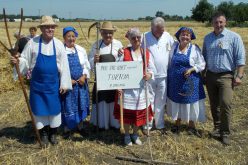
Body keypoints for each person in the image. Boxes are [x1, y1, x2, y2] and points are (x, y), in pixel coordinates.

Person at [10, 16, 72, 147]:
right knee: (39, 110)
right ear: (42, 29)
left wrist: (65, 84)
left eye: (52, 27)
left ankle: (53, 133)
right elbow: (25, 60)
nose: (50, 29)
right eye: (46, 27)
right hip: (37, 86)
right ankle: (43, 134)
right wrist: (18, 61)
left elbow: (64, 65)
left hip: (53, 85)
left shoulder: (59, 44)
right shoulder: (33, 43)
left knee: (54, 110)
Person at [202, 12, 246, 145]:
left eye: (221, 22)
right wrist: (202, 75)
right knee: (214, 104)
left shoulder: (234, 37)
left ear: (225, 22)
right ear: (212, 23)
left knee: (226, 103)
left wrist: (239, 76)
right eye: (216, 22)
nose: (218, 24)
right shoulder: (207, 38)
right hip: (210, 76)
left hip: (226, 76)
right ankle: (217, 128)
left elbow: (240, 59)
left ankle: (225, 133)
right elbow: (203, 58)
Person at [114, 28, 154, 146]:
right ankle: (127, 135)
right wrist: (118, 86)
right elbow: (117, 69)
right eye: (133, 38)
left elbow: (151, 68)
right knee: (127, 113)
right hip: (127, 89)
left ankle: (135, 134)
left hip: (141, 88)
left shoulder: (145, 52)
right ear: (129, 39)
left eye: (138, 37)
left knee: (138, 113)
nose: (136, 39)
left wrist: (149, 74)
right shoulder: (124, 52)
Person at [167, 27, 206, 137]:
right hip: (175, 82)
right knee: (177, 101)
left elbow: (202, 64)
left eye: (187, 35)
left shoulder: (194, 49)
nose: (185, 37)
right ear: (178, 36)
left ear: (190, 38)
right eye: (182, 34)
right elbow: (169, 63)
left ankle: (191, 125)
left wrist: (192, 69)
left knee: (191, 102)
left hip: (191, 82)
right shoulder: (174, 47)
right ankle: (177, 123)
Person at [89, 21, 123, 130]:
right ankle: (103, 124)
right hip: (101, 80)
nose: (108, 35)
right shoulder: (96, 45)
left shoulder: (118, 44)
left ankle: (114, 123)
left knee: (113, 100)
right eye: (106, 33)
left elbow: (122, 62)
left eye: (110, 33)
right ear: (101, 33)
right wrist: (94, 60)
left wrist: (120, 56)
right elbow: (89, 62)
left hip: (114, 79)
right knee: (102, 100)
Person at [142, 17, 174, 132]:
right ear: (152, 28)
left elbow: (175, 48)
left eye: (162, 30)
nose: (161, 32)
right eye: (158, 30)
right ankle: (147, 124)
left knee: (161, 101)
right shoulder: (144, 37)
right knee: (149, 100)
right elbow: (135, 49)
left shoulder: (167, 36)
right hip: (150, 76)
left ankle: (159, 123)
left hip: (164, 75)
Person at [61, 26, 90, 137]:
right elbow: (58, 68)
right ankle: (67, 128)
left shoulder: (81, 49)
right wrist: (67, 80)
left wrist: (84, 76)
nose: (71, 38)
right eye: (68, 36)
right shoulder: (61, 51)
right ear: (64, 37)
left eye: (73, 36)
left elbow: (86, 65)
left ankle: (80, 126)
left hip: (81, 84)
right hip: (69, 85)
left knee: (81, 104)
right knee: (68, 105)